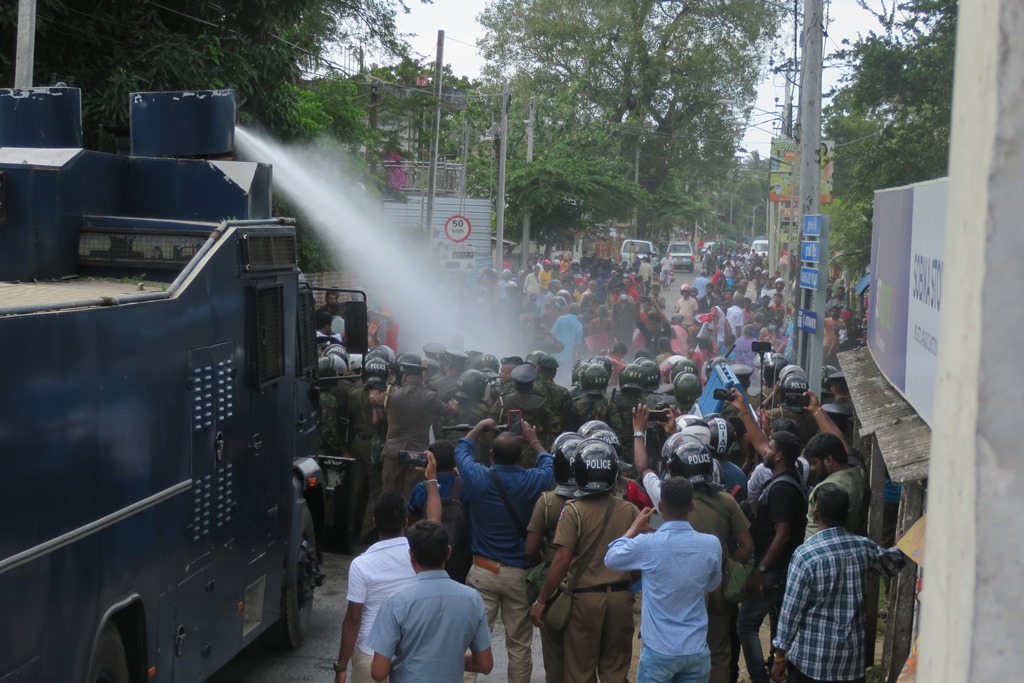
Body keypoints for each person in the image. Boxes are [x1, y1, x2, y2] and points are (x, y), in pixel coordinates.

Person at [529, 438, 640, 683]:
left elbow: (562, 559)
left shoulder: (573, 510)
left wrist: (541, 600)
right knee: (615, 670)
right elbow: (637, 559)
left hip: (585, 601)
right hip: (621, 598)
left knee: (580, 671)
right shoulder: (629, 510)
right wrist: (630, 587)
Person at [770, 486, 905, 683]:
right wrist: (899, 546)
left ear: (815, 514)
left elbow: (791, 612)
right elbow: (892, 562)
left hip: (812, 661)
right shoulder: (863, 547)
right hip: (851, 662)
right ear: (847, 514)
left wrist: (779, 657)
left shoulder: (805, 555)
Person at [456, 418, 554, 683]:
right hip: (520, 576)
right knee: (520, 644)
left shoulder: (478, 477)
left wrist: (478, 427)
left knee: (472, 640)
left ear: (491, 455)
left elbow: (460, 450)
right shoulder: (534, 480)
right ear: (521, 457)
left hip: (483, 571)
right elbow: (549, 464)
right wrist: (533, 439)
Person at [604, 476, 722, 683]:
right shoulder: (712, 545)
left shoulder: (648, 544)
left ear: (660, 506)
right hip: (696, 649)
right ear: (691, 506)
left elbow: (611, 558)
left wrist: (633, 529)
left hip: (659, 651)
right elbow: (712, 584)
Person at [367, 520, 493, 682]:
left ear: (411, 555)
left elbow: (378, 672)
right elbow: (485, 664)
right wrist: (447, 662)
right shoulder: (472, 599)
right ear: (448, 552)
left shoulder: (396, 601)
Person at [735, 426, 808, 683]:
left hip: (774, 569)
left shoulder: (782, 488)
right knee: (780, 624)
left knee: (746, 624)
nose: (766, 450)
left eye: (771, 447)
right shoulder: (787, 479)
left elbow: (783, 534)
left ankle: (760, 678)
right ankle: (778, 668)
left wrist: (761, 570)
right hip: (779, 567)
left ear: (778, 456)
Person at [333, 493, 416, 683]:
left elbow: (354, 619)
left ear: (374, 522)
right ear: (405, 522)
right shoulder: (418, 558)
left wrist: (341, 666)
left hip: (371, 654)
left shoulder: (361, 564)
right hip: (412, 654)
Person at [375, 353, 457, 501]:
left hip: (393, 452)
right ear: (422, 375)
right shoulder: (431, 397)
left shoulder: (391, 393)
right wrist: (454, 407)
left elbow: (375, 399)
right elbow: (449, 411)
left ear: (404, 376)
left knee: (388, 494)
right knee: (411, 496)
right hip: (418, 453)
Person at [803, 433, 868, 538]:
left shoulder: (825, 492)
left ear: (829, 460)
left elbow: (813, 534)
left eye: (814, 463)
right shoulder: (859, 473)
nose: (812, 468)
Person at [551, 303, 586, 382]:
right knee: (564, 379)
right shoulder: (579, 325)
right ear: (578, 312)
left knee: (552, 377)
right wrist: (574, 358)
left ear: (568, 310)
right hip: (567, 356)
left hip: (555, 354)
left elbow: (552, 333)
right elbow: (577, 345)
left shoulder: (560, 319)